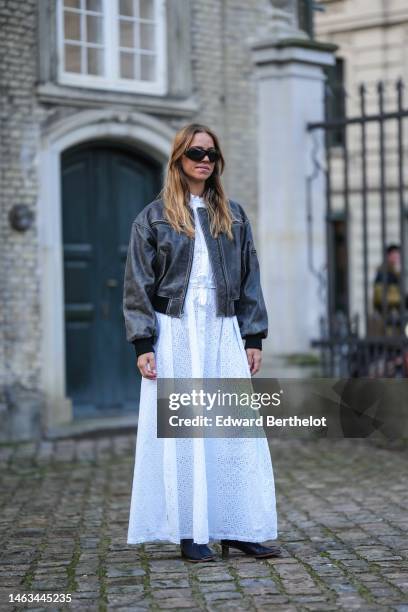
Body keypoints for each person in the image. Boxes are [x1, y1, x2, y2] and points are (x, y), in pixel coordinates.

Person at [123, 123, 281, 562]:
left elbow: (250, 277)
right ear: (179, 158)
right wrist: (143, 344)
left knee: (235, 430)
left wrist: (254, 335)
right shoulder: (152, 218)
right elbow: (137, 284)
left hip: (222, 327)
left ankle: (238, 526)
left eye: (211, 153)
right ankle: (191, 532)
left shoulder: (233, 215)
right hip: (174, 331)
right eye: (196, 152)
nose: (205, 160)